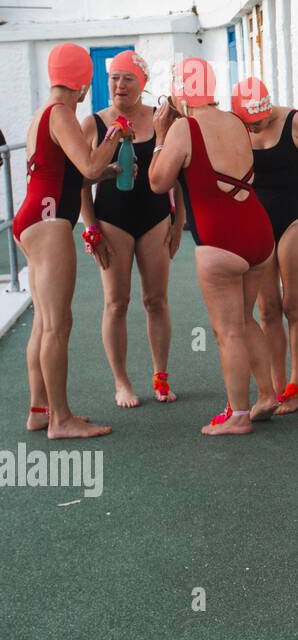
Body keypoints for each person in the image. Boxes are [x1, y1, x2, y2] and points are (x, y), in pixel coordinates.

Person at [148, 57, 278, 435]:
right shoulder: (236, 121)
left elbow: (158, 182)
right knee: (245, 319)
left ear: (177, 92)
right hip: (257, 231)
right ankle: (266, 394)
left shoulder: (184, 129)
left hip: (219, 240)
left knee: (228, 331)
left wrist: (159, 137)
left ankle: (238, 415)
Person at [14, 43, 125, 438]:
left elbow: (78, 172)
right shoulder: (61, 114)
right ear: (81, 85)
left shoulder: (43, 114)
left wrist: (104, 172)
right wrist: (115, 132)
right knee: (58, 324)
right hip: (48, 221)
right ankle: (61, 420)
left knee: (45, 321)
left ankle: (40, 410)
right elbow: (90, 163)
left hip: (34, 216)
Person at [79, 50, 185, 407]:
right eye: (114, 78)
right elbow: (81, 182)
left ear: (142, 84)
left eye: (128, 79)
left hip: (155, 217)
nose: (119, 85)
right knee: (116, 303)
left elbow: (179, 173)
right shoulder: (93, 124)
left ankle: (160, 374)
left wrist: (179, 219)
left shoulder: (161, 119)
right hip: (112, 219)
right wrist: (91, 228)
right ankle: (121, 382)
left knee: (156, 300)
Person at [231, 78, 298, 415]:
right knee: (267, 310)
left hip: (296, 219)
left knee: (293, 304)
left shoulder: (296, 121)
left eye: (259, 122)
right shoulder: (237, 128)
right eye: (249, 124)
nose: (255, 128)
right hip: (258, 222)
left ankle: (296, 387)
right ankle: (276, 389)